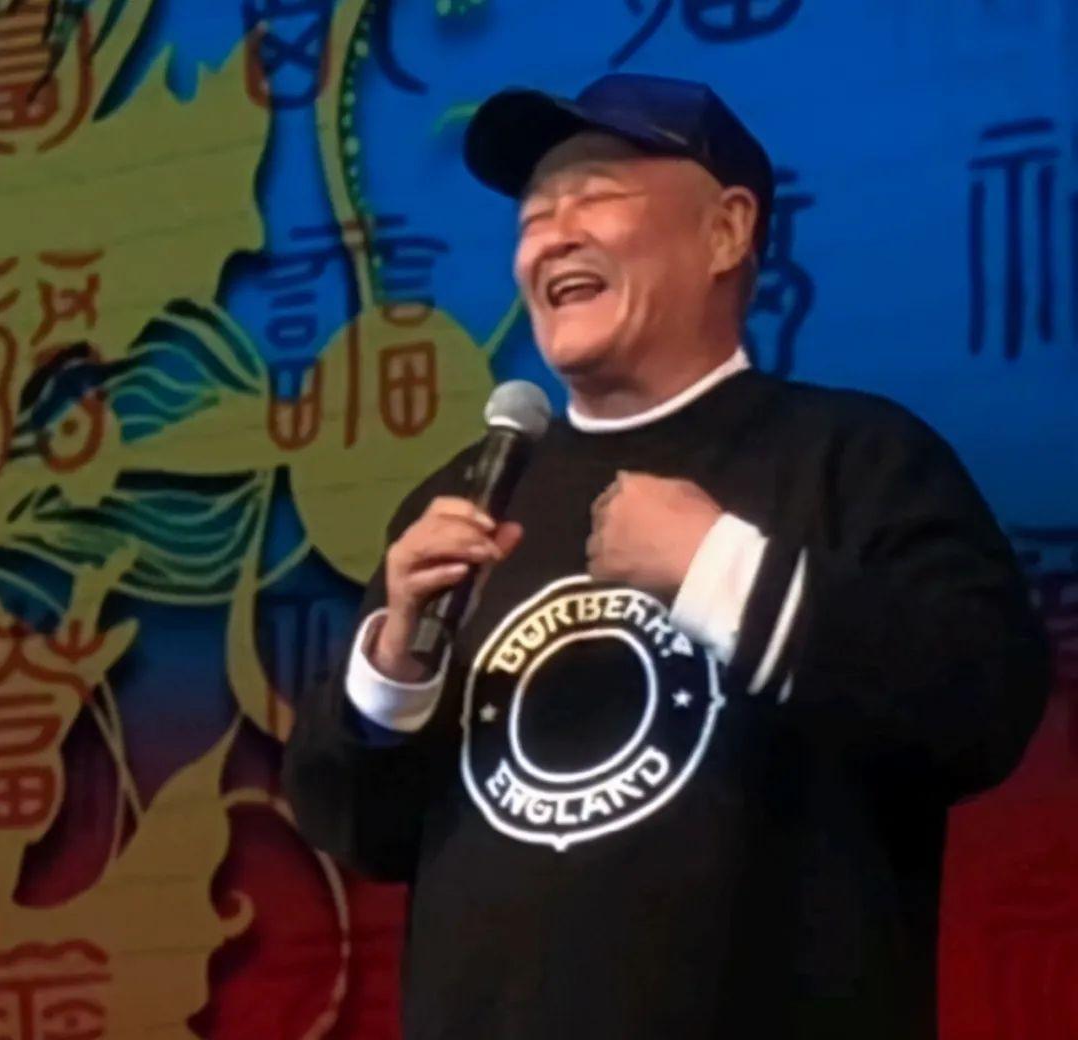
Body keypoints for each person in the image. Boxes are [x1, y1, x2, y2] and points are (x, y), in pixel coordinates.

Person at [283, 73, 1051, 1039]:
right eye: (533, 217)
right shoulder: (472, 498)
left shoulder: (858, 459)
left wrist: (722, 572)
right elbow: (363, 831)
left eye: (594, 197)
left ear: (726, 232)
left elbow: (983, 707)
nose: (552, 237)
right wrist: (394, 670)